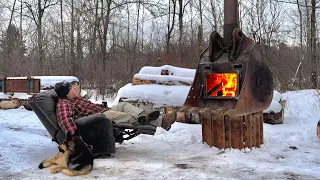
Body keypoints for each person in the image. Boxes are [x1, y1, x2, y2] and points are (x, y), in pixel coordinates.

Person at [54, 81, 174, 157]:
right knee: (126, 117)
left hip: (103, 111)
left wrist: (103, 107)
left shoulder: (75, 98)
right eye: (71, 89)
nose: (74, 90)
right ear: (65, 93)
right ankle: (161, 122)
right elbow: (65, 121)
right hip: (98, 118)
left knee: (124, 105)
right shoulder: (63, 104)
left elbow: (90, 106)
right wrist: (76, 138)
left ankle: (142, 116)